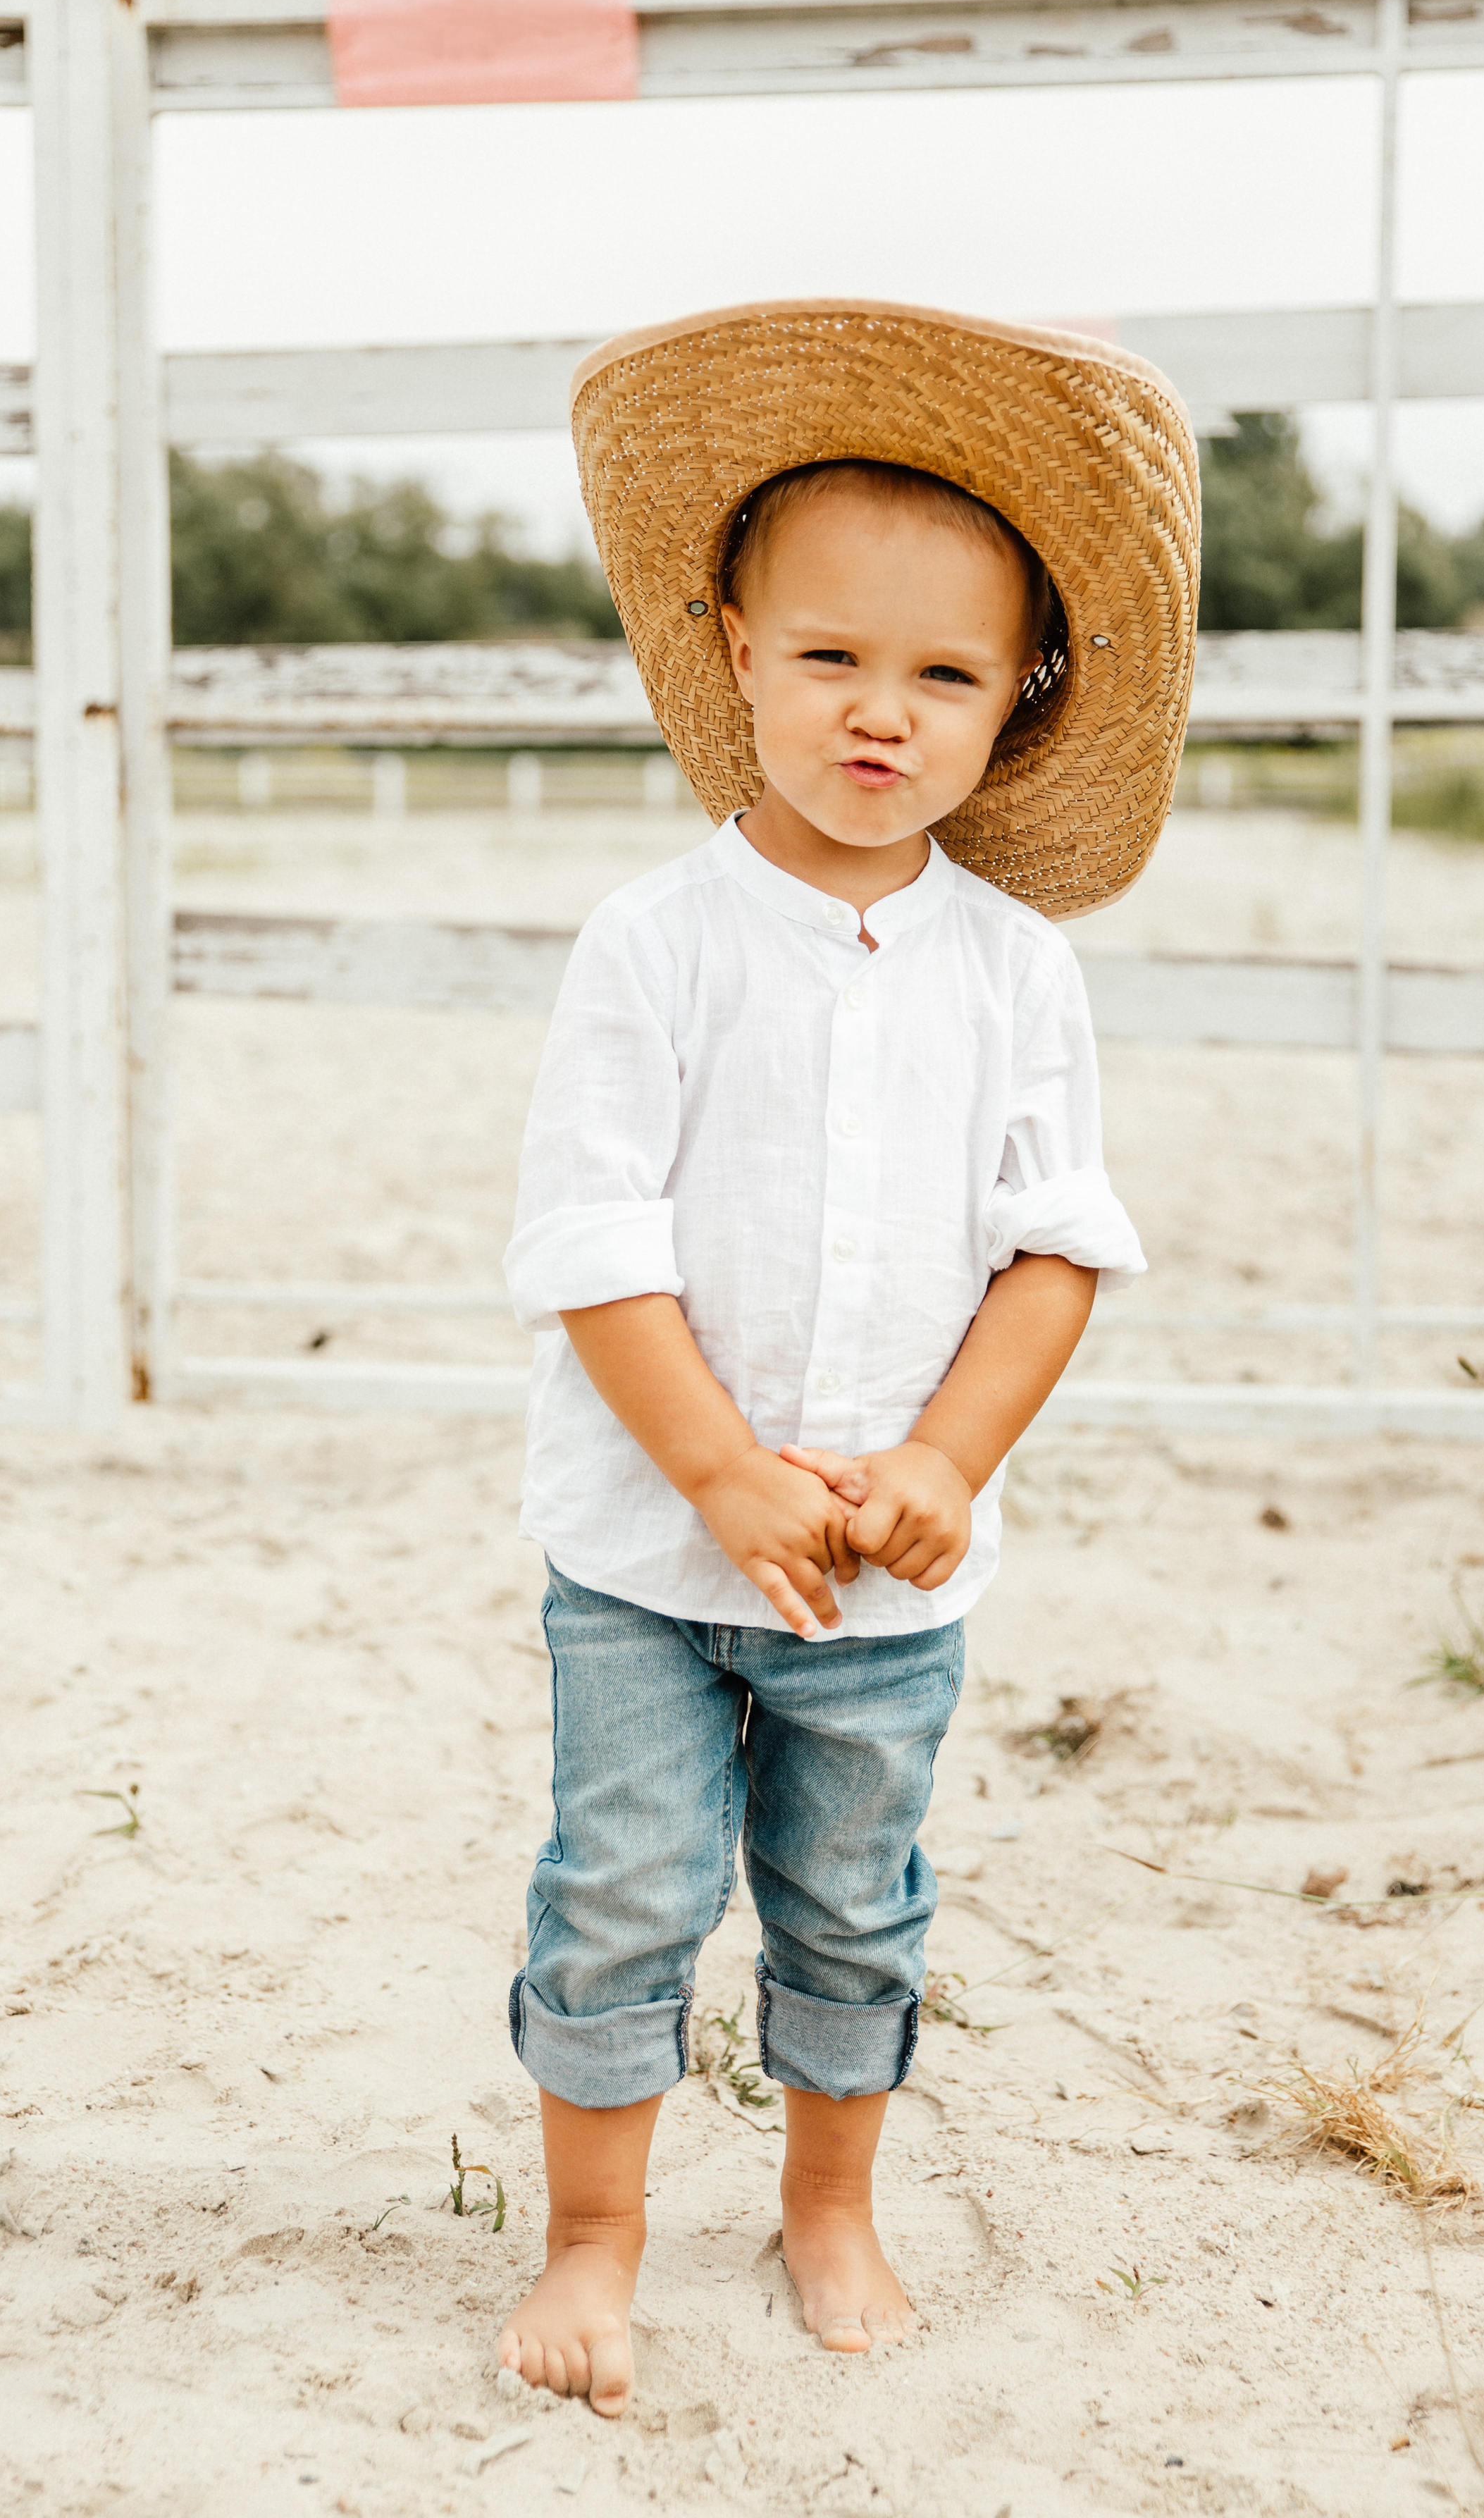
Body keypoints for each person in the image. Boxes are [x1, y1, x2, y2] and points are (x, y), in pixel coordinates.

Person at [495, 297, 1200, 2416]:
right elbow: (593, 1239)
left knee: (853, 1901)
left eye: (943, 675)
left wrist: (947, 1459)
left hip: (891, 1573)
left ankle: (829, 2199)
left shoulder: (1016, 967)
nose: (879, 715)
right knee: (618, 1891)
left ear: (1021, 703)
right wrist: (718, 1469)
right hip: (648, 1553)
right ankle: (597, 2232)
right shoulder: (660, 941)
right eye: (829, 659)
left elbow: (1056, 1250)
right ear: (732, 652)